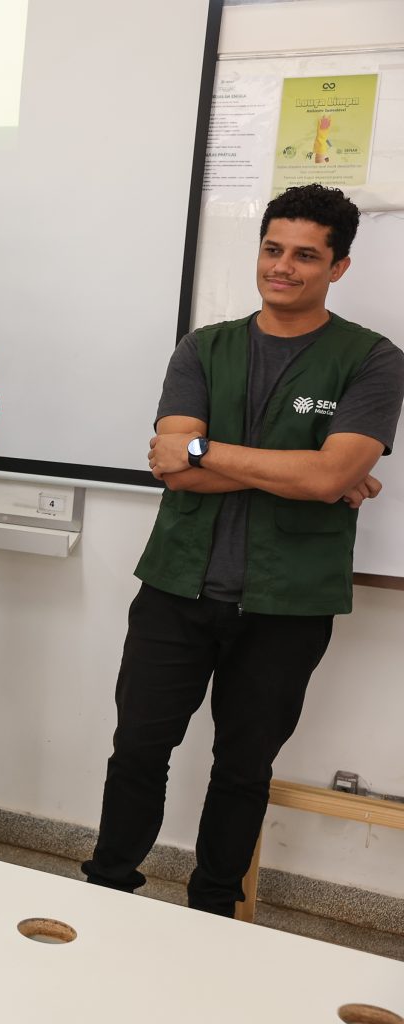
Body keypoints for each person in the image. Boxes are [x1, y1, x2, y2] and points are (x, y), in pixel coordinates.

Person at [83, 183, 404, 916]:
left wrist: (213, 452)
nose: (282, 267)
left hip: (288, 603)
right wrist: (309, 472)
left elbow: (323, 476)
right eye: (272, 249)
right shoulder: (205, 347)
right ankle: (108, 889)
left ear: (338, 267)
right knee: (138, 750)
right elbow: (171, 467)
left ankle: (215, 909)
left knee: (243, 766)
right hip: (176, 587)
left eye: (305, 255)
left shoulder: (372, 359)